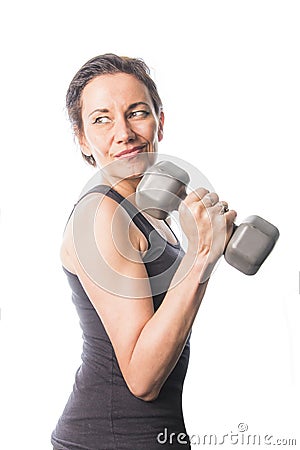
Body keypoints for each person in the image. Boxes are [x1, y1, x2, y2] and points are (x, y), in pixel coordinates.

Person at [51, 53, 236, 450]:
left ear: (160, 122)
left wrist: (202, 238)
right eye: (101, 119)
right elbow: (143, 378)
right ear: (82, 138)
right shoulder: (101, 216)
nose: (124, 133)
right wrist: (201, 256)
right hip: (107, 439)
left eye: (136, 113)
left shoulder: (147, 212)